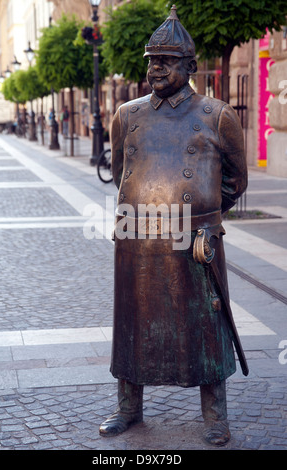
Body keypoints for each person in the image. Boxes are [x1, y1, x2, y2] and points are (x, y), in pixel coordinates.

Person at [99, 5, 248, 446]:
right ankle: (128, 407)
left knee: (206, 324)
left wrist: (202, 213)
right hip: (136, 236)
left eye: (165, 60)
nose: (155, 68)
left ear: (189, 65)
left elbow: (235, 180)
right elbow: (122, 168)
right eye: (151, 60)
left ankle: (215, 414)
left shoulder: (216, 114)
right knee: (132, 321)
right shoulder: (127, 115)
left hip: (194, 240)